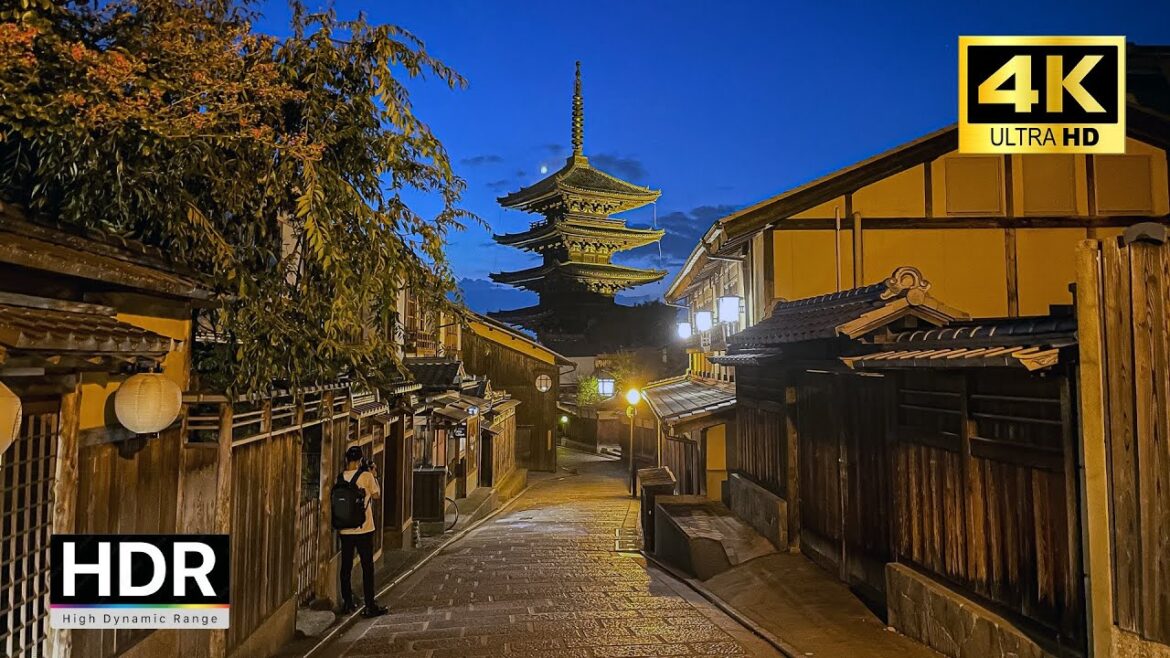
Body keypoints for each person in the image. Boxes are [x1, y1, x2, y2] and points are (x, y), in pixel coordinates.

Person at [338, 445, 387, 617]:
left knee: (345, 567)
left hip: (345, 530)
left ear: (347, 460)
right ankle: (369, 604)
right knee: (367, 566)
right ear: (360, 461)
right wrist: (373, 475)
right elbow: (376, 495)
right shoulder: (366, 476)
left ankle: (347, 603)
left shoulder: (341, 477)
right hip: (364, 528)